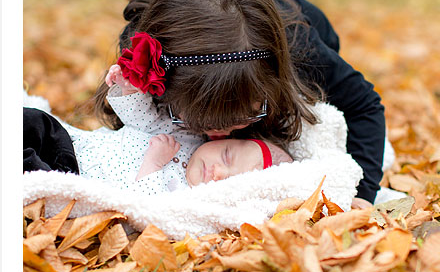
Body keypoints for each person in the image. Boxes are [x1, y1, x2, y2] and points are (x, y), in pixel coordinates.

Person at [89, 0, 384, 207]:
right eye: (199, 122)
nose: (219, 134)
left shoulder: (302, 49)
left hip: (298, 37)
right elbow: (136, 124)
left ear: (274, 83)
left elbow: (364, 105)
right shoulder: (148, 52)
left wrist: (363, 193)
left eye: (242, 117)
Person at [24, 65, 291, 195]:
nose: (218, 173)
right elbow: (142, 119)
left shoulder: (185, 194)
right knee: (33, 121)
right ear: (221, 140)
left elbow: (143, 205)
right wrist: (129, 88)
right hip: (75, 143)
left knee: (33, 175)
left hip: (74, 174)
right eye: (226, 158)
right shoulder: (185, 134)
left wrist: (153, 163)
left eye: (231, 181)